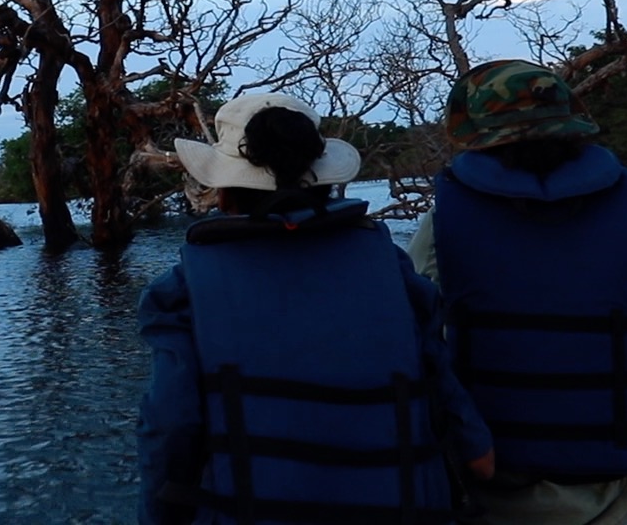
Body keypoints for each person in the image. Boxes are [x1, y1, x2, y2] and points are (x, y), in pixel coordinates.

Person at [406, 60, 627, 525]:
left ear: (473, 132)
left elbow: (418, 360)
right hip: (604, 494)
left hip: (479, 491)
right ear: (572, 125)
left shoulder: (439, 228)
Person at [138, 92, 495, 525]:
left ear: (227, 193)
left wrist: (158, 514)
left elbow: (171, 425)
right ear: (324, 182)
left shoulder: (180, 291)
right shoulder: (389, 267)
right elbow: (445, 391)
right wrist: (475, 455)